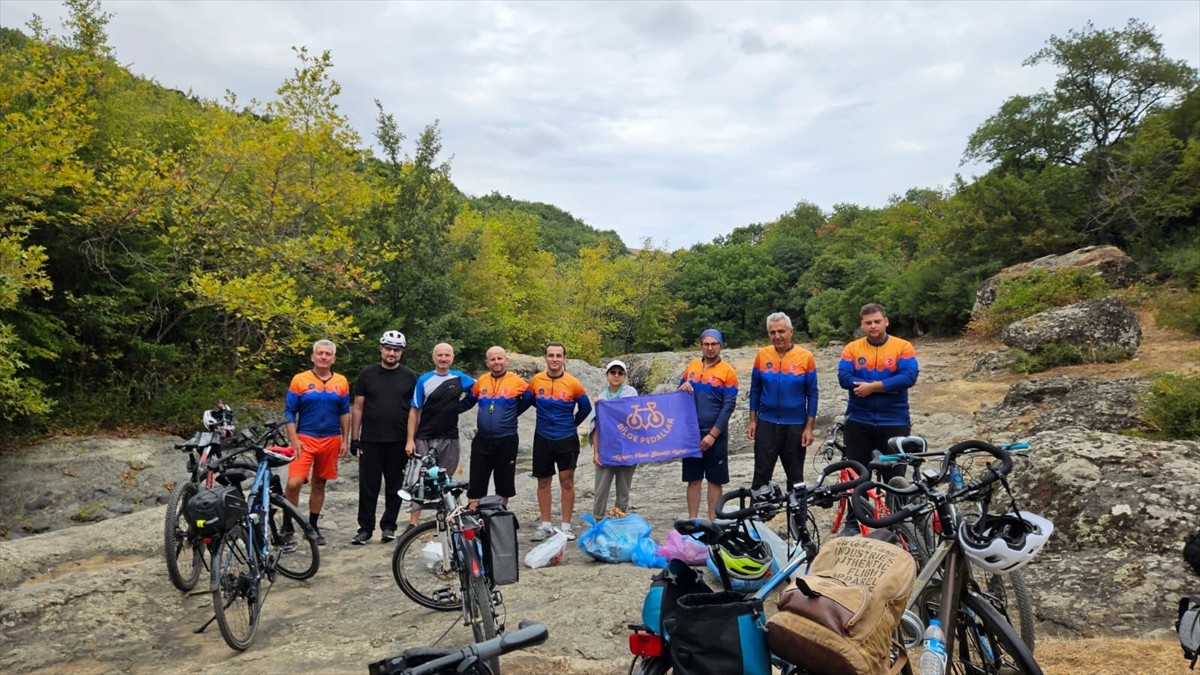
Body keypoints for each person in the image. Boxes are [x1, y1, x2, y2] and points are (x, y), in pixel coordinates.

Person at [837, 302, 919, 533]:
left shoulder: (902, 347)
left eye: (877, 321)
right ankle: (854, 522)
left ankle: (896, 525)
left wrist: (873, 387)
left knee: (895, 475)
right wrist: (888, 386)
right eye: (868, 323)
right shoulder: (853, 348)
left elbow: (909, 377)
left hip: (894, 420)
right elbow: (844, 378)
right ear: (862, 325)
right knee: (857, 474)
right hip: (859, 421)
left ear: (886, 321)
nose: (873, 326)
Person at [348, 330, 417, 545]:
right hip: (371, 439)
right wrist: (354, 438)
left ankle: (389, 526)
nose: (391, 353)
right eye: (388, 348)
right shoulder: (367, 375)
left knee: (395, 486)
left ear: (401, 352)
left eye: (396, 350)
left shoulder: (410, 376)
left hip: (398, 440)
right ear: (381, 349)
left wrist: (411, 439)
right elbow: (358, 407)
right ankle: (365, 529)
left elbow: (415, 410)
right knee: (368, 486)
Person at [284, 339, 351, 546]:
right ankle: (287, 524)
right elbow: (289, 412)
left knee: (320, 482)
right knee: (294, 482)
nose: (323, 357)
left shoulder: (341, 381)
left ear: (333, 358)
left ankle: (312, 525)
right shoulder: (299, 380)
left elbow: (344, 412)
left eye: (327, 354)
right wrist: (293, 439)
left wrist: (345, 439)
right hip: (305, 438)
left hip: (331, 438)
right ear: (313, 357)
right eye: (320, 353)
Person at [405, 342, 476, 529]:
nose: (443, 359)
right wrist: (410, 440)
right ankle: (413, 523)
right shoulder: (424, 380)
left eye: (447, 355)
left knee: (447, 479)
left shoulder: (459, 378)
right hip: (425, 436)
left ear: (452, 357)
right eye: (440, 355)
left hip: (450, 437)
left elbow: (477, 391)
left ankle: (451, 519)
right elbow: (414, 410)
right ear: (433, 357)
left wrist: (459, 407)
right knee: (420, 479)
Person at [528, 342, 592, 541]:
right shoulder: (536, 381)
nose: (554, 359)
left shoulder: (573, 383)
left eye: (558, 355)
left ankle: (566, 526)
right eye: (551, 355)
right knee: (543, 481)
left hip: (566, 438)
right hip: (543, 437)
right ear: (545, 358)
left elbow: (586, 407)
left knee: (567, 480)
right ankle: (545, 525)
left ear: (564, 359)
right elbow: (527, 402)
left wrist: (573, 423)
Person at [747, 312, 817, 490]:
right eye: (772, 332)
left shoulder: (806, 356)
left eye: (781, 331)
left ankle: (797, 510)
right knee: (761, 477)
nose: (777, 336)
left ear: (791, 331)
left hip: (795, 425)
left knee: (796, 479)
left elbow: (812, 393)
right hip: (767, 423)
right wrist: (753, 420)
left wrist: (809, 427)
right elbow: (755, 389)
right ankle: (758, 509)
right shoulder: (762, 355)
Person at [677, 329, 739, 519]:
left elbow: (728, 406)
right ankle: (693, 521)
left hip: (716, 434)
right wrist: (681, 387)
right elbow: (678, 392)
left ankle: (713, 522)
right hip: (692, 433)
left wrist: (713, 435)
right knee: (693, 479)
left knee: (714, 480)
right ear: (701, 345)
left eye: (714, 344)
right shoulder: (692, 366)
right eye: (706, 344)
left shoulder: (728, 371)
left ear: (720, 346)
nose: (710, 348)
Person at [464, 346, 531, 509]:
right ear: (487, 362)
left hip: (506, 439)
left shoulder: (518, 382)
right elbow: (468, 401)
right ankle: (474, 517)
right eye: (492, 359)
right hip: (482, 439)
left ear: (506, 360)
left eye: (499, 358)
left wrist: (514, 412)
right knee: (476, 483)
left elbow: (531, 398)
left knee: (504, 484)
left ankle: (500, 515)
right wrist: (446, 410)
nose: (496, 362)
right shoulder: (481, 381)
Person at [589, 359, 639, 519]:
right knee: (601, 488)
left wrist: (604, 406)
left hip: (627, 448)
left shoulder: (631, 392)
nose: (616, 375)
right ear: (607, 375)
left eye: (620, 373)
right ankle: (598, 519)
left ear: (624, 376)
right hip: (606, 449)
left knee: (623, 490)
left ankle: (619, 519)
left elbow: (625, 411)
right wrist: (596, 452)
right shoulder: (601, 397)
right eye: (613, 372)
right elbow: (595, 427)